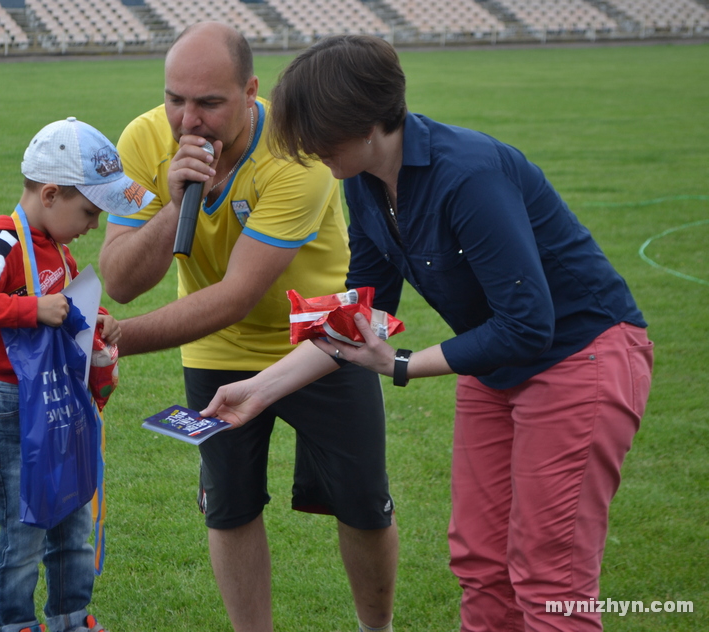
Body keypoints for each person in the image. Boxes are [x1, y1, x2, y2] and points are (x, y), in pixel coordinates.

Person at [200, 35, 655, 632]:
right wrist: (259, 390)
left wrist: (403, 364)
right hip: (498, 368)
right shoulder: (361, 183)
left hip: (578, 358)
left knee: (549, 574)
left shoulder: (469, 175)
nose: (309, 150)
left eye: (318, 133)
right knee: (480, 560)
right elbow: (363, 317)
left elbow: (529, 323)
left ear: (366, 122)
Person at [97, 22, 398, 632]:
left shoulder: (298, 151)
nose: (188, 120)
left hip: (323, 339)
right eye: (175, 99)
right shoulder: (142, 138)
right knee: (228, 507)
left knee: (363, 504)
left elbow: (236, 294)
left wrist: (111, 340)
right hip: (214, 348)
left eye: (209, 102)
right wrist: (175, 207)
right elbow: (121, 281)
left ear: (250, 91)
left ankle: (377, 629)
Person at [0, 117, 154, 632]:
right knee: (25, 531)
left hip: (60, 402)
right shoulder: (2, 239)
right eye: (89, 211)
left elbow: (67, 309)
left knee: (73, 518)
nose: (93, 224)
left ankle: (69, 617)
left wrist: (94, 320)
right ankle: (15, 624)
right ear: (50, 193)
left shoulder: (59, 248)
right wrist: (31, 309)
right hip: (14, 407)